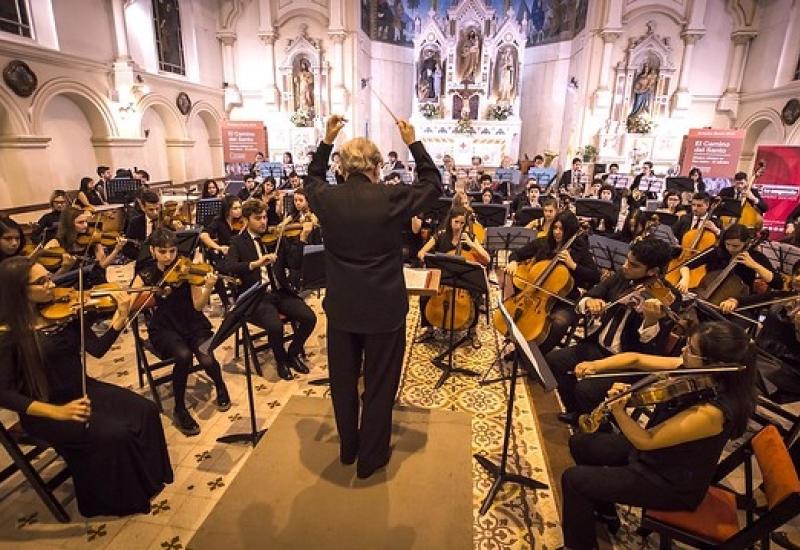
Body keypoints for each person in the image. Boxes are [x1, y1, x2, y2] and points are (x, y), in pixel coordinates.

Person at [304, 115, 443, 478]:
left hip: (343, 309)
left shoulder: (327, 198)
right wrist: (413, 142)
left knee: (343, 382)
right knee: (380, 385)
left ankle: (348, 449)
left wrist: (326, 140)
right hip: (384, 310)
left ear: (343, 167)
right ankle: (371, 457)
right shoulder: (390, 197)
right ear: (377, 167)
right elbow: (433, 184)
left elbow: (311, 180)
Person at [0, 257, 173, 517]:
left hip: (82, 389)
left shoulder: (65, 312)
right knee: (115, 434)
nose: (52, 284)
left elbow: (98, 350)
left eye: (50, 277)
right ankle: (119, 499)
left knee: (146, 409)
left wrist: (121, 316)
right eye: (42, 281)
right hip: (47, 409)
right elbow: (4, 394)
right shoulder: (8, 334)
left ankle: (148, 481)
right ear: (19, 292)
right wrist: (57, 412)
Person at [561, 321, 756, 550]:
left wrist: (617, 410)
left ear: (717, 364)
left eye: (691, 349)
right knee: (580, 443)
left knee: (573, 480)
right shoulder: (695, 369)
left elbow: (647, 439)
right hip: (657, 455)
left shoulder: (714, 412)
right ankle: (605, 511)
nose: (683, 350)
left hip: (669, 481)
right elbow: (637, 359)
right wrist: (595, 365)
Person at [545, 238, 679, 423]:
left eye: (633, 265)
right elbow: (588, 297)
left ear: (653, 271)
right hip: (598, 346)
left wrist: (650, 321)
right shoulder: (622, 276)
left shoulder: (668, 298)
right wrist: (589, 302)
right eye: (626, 260)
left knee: (586, 389)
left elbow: (651, 347)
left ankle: (601, 424)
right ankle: (578, 412)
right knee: (554, 361)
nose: (625, 266)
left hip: (629, 361)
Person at [132, 229, 230, 435]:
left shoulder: (187, 268)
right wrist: (149, 294)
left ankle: (220, 386)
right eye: (162, 252)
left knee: (206, 358)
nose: (168, 257)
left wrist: (209, 287)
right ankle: (179, 408)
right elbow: (131, 303)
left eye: (172, 251)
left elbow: (198, 306)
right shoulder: (146, 273)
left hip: (193, 322)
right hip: (164, 327)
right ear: (152, 250)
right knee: (183, 356)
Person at [220, 199, 317, 381]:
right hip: (257, 297)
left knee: (309, 318)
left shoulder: (276, 237)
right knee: (275, 326)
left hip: (280, 292)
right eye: (258, 218)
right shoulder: (238, 242)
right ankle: (281, 362)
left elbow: (295, 264)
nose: (264, 222)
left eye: (265, 217)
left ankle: (292, 354)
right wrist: (254, 264)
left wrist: (302, 239)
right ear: (247, 220)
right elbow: (227, 266)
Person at [505, 211, 600, 353]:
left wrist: (572, 265)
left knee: (559, 323)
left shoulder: (580, 249)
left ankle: (537, 355)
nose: (557, 232)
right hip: (537, 295)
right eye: (555, 227)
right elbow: (517, 253)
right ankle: (519, 341)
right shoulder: (544, 242)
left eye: (562, 229)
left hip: (565, 299)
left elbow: (595, 276)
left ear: (570, 231)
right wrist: (512, 262)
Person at [416, 205, 490, 341]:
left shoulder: (470, 237)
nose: (459, 226)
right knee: (425, 294)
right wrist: (428, 258)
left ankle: (472, 332)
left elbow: (487, 258)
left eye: (462, 223)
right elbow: (421, 253)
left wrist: (472, 245)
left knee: (476, 294)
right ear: (450, 220)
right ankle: (429, 329)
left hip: (463, 280)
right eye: (456, 222)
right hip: (443, 277)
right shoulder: (441, 234)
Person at [677, 223, 782, 294]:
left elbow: (778, 284)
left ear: (745, 244)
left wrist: (754, 265)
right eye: (728, 244)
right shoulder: (716, 251)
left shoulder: (754, 257)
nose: (730, 249)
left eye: (736, 246)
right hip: (707, 294)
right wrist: (685, 279)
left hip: (738, 301)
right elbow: (686, 265)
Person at [46, 207, 126, 283]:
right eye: (80, 222)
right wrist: (65, 268)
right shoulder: (55, 244)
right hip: (71, 286)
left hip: (95, 281)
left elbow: (102, 265)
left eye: (86, 221)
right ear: (69, 224)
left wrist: (117, 249)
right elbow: (52, 280)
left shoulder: (92, 238)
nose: (85, 225)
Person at [200, 195, 243, 259]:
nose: (239, 210)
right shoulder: (219, 221)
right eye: (235, 208)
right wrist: (219, 248)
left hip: (242, 254)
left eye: (240, 207)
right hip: (226, 256)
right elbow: (203, 235)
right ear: (227, 209)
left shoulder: (244, 220)